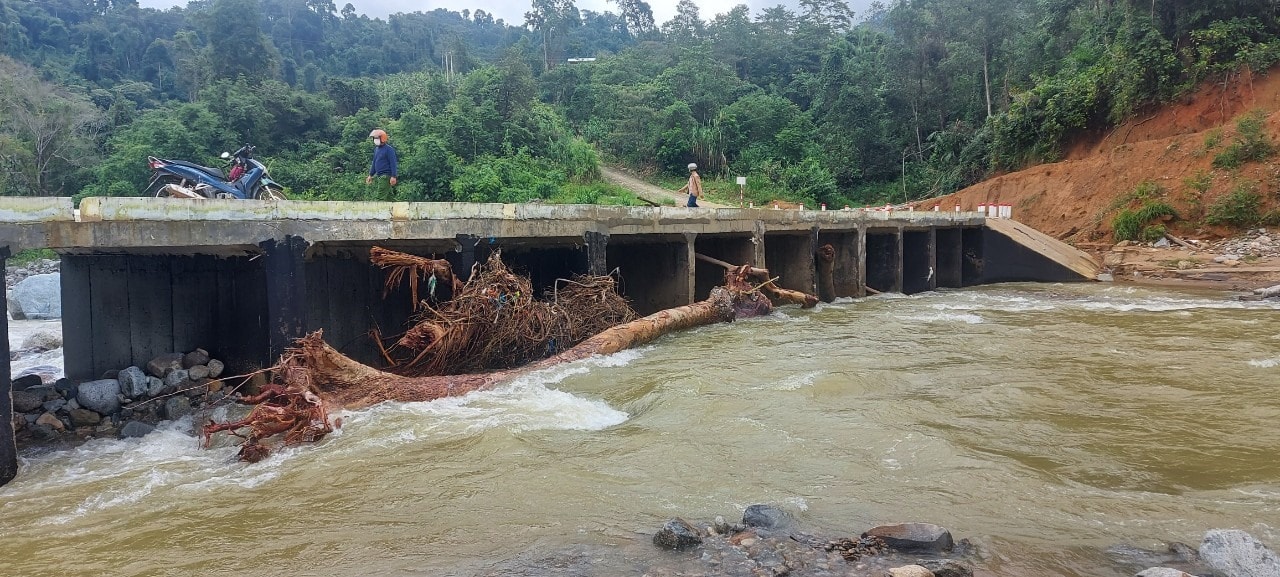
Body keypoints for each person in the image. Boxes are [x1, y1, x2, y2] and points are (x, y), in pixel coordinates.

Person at [366, 129, 398, 196]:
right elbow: (374, 163)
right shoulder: (376, 150)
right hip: (379, 175)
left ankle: (377, 206)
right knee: (389, 198)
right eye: (374, 138)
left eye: (377, 138)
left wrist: (393, 176)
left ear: (382, 138)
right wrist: (370, 175)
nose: (375, 140)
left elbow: (393, 163)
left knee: (380, 196)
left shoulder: (389, 149)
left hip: (385, 176)